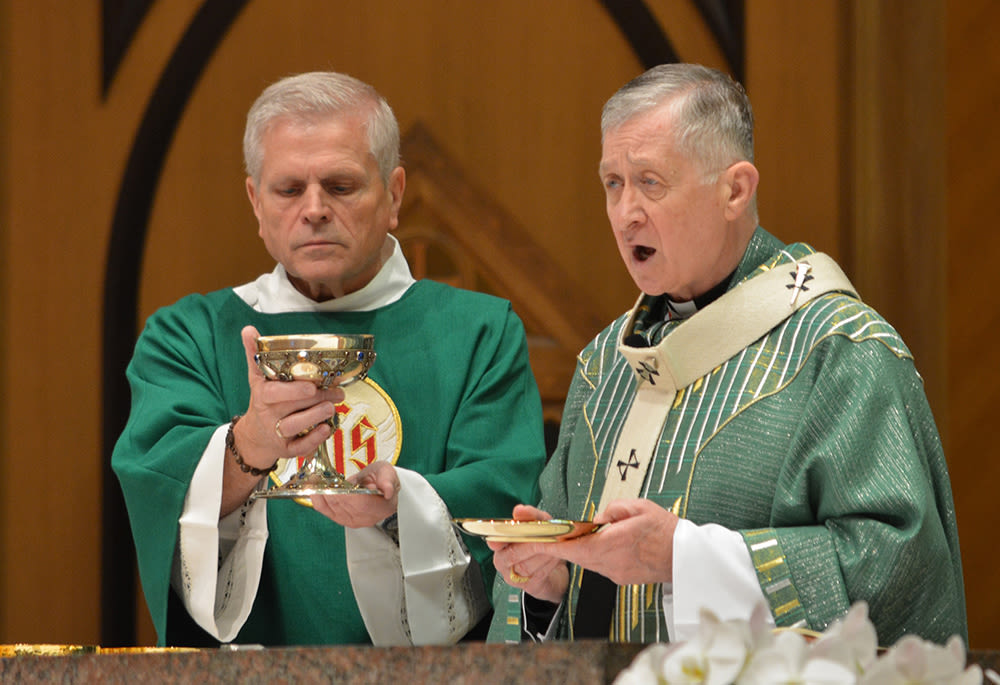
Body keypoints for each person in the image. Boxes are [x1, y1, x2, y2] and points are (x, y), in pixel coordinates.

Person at [486, 63, 967, 646]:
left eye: (650, 182)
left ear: (735, 190)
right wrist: (550, 588)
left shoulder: (838, 353)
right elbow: (573, 602)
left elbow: (894, 569)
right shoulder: (606, 366)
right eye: (613, 182)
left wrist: (685, 560)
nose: (624, 213)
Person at [112, 71, 546, 647]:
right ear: (255, 202)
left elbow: (504, 494)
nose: (314, 209)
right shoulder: (186, 335)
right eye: (289, 190)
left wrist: (399, 506)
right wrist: (250, 445)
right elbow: (155, 485)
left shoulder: (479, 333)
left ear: (394, 194)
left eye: (341, 186)